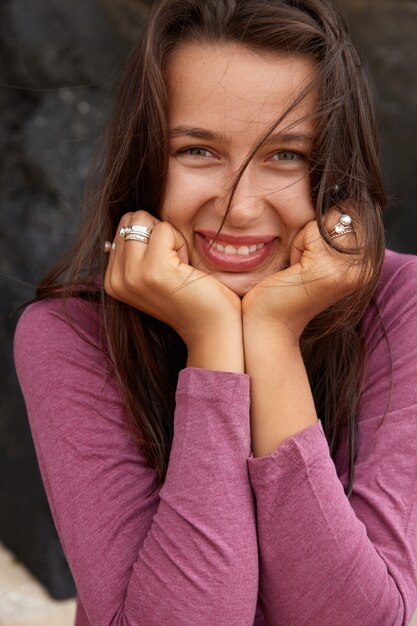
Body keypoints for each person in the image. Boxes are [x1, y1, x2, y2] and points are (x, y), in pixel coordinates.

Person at [13, 0, 417, 624]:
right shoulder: (69, 335)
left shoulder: (402, 302)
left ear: (333, 170)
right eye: (198, 150)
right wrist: (214, 349)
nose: (239, 207)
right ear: (146, 159)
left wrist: (273, 333)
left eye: (286, 155)